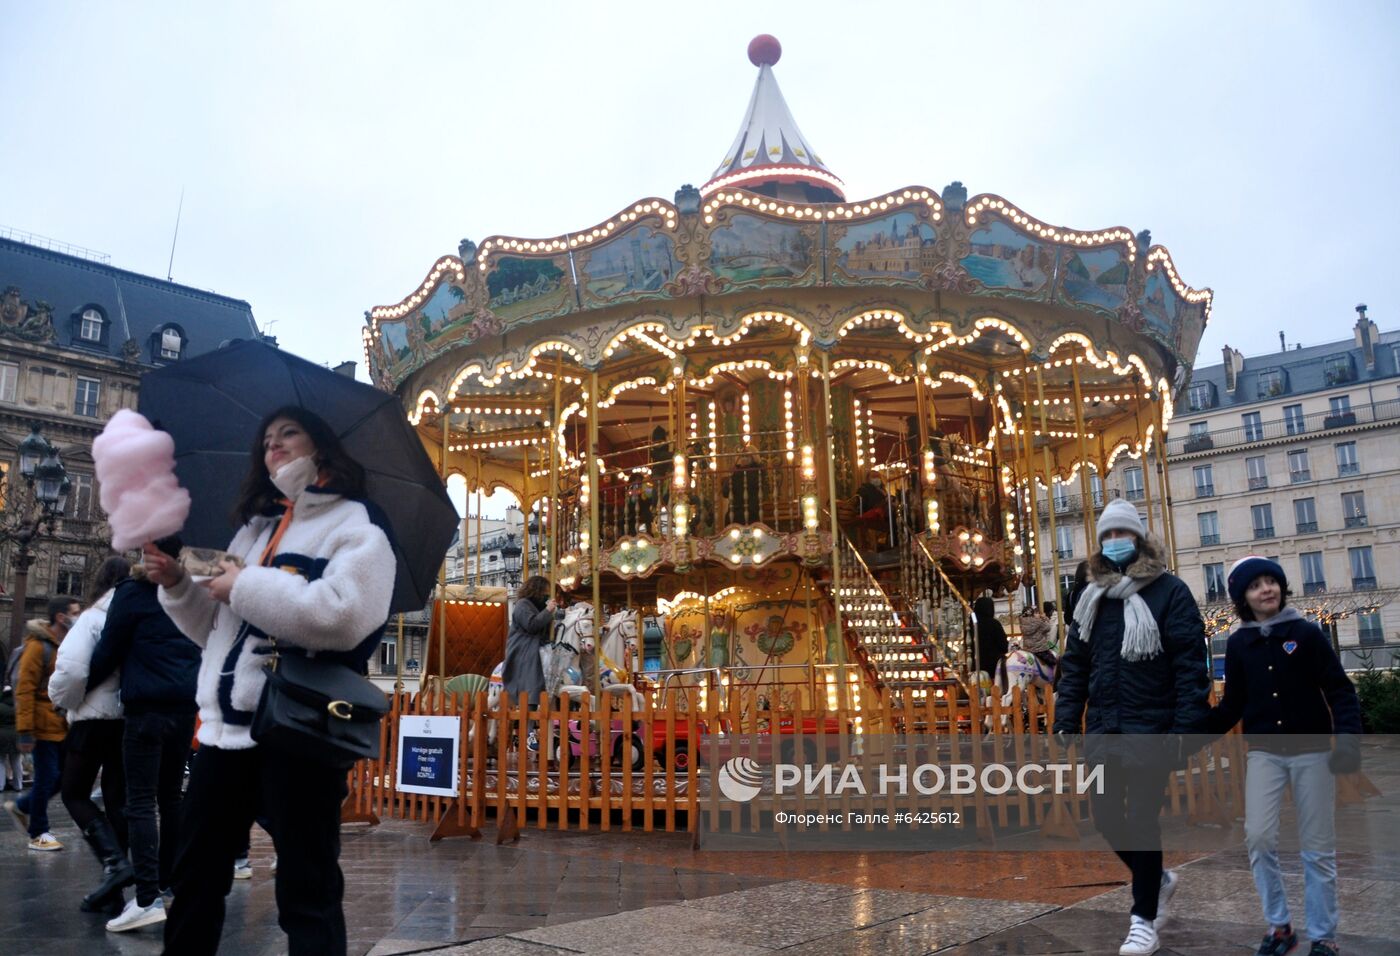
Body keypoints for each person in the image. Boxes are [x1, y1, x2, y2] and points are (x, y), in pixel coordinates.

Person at [143, 406, 395, 955]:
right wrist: (178, 585)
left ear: (320, 445)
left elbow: (344, 616)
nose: (273, 446)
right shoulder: (254, 528)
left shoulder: (358, 524)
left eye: (288, 434)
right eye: (266, 441)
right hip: (224, 733)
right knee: (194, 880)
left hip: (298, 732)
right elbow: (214, 629)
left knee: (307, 889)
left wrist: (245, 584)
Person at [1053, 499, 1211, 956]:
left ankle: (1143, 920)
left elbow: (1189, 665)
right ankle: (1156, 878)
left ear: (1138, 538)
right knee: (1104, 816)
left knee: (1142, 819)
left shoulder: (1170, 592)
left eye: (1122, 534)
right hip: (1105, 727)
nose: (1115, 542)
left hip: (1152, 727)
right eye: (1107, 536)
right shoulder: (1091, 597)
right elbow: (1076, 663)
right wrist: (1067, 717)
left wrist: (1185, 727)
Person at [1208, 557, 1362, 956]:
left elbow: (1340, 691)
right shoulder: (1240, 643)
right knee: (1257, 837)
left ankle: (1324, 936)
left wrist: (1347, 741)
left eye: (1271, 581)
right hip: (1265, 754)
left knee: (1317, 846)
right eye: (1256, 585)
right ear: (1243, 597)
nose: (1266, 589)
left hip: (1311, 752)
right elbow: (1233, 704)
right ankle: (1280, 927)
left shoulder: (1306, 634)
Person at [87, 537, 201, 933]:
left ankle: (148, 896)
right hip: (185, 706)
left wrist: (81, 689)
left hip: (146, 708)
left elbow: (108, 650)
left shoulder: (132, 593)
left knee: (140, 801)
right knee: (171, 796)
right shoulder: (191, 591)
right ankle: (170, 879)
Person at [48, 555, 134, 915]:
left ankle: (114, 864)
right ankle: (114, 885)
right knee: (117, 799)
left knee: (74, 793)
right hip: (126, 717)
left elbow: (70, 669)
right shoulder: (134, 616)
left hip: (93, 716)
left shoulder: (93, 618)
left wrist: (61, 700)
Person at [4, 596, 80, 851]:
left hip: (58, 724)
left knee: (61, 779)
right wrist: (25, 731)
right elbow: (24, 690)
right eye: (74, 612)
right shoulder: (38, 646)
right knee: (47, 779)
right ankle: (38, 833)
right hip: (40, 725)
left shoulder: (61, 645)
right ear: (61, 617)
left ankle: (23, 806)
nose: (77, 616)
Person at [504, 575, 557, 753]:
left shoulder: (537, 606)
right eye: (544, 591)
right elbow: (532, 624)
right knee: (533, 680)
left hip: (538, 644)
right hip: (524, 647)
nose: (546, 594)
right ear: (537, 589)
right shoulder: (522, 605)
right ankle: (529, 732)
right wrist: (548, 610)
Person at [973, 596, 1009, 686]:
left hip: (976, 663)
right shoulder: (994, 624)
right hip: (994, 665)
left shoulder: (972, 625)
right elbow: (1003, 645)